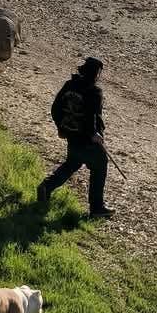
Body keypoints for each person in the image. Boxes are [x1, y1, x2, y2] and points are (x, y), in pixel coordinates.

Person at [37, 57, 114, 218]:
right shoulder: (94, 92)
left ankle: (47, 186)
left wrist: (61, 127)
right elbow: (91, 116)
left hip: (72, 135)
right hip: (88, 140)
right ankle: (97, 207)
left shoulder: (69, 85)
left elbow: (55, 107)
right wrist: (94, 134)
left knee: (72, 163)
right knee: (100, 166)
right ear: (96, 73)